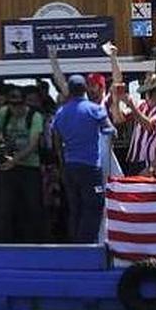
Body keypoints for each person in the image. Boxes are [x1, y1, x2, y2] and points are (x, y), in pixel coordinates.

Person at [51, 74, 116, 243]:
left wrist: (62, 160)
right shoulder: (95, 109)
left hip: (69, 167)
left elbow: (56, 138)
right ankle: (88, 245)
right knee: (94, 205)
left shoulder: (60, 112)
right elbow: (109, 130)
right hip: (90, 166)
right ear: (85, 89)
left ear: (70, 91)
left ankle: (75, 246)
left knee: (75, 207)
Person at [0, 85, 45, 243]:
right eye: (12, 104)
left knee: (32, 206)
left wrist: (14, 161)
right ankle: (6, 242)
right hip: (9, 167)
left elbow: (33, 145)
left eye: (19, 104)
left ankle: (34, 242)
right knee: (5, 207)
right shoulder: (3, 113)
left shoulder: (35, 116)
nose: (15, 108)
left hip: (30, 167)